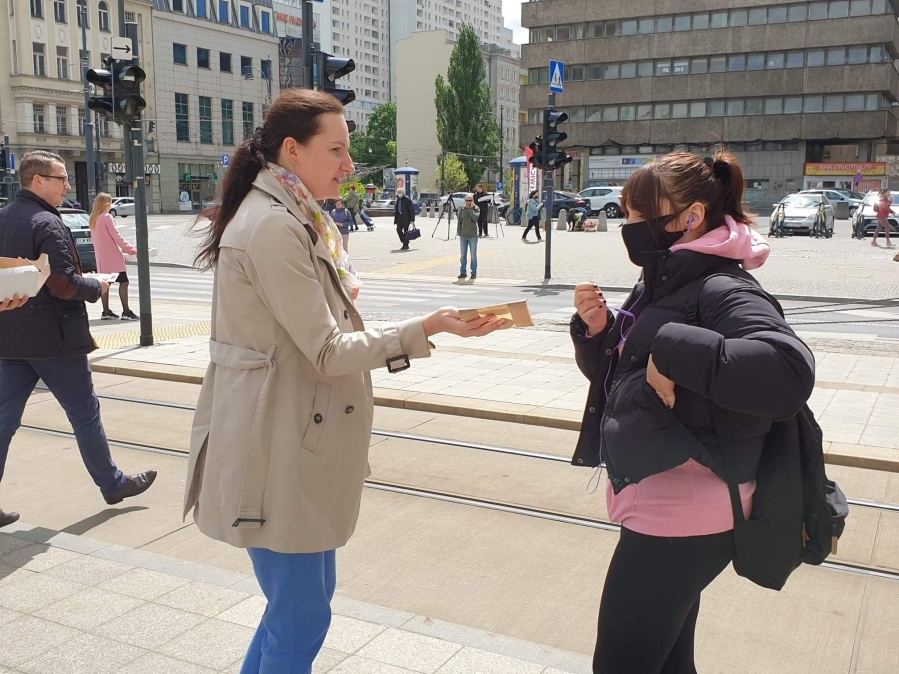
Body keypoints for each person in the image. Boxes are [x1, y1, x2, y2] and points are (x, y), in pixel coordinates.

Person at [186, 88, 505, 674]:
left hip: (288, 437)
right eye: (335, 150)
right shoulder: (274, 226)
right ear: (292, 150)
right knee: (300, 616)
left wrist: (427, 327)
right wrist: (426, 328)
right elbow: (329, 350)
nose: (349, 165)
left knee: (297, 611)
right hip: (275, 447)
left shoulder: (294, 216)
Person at [571, 151, 814, 674]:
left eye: (640, 214)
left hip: (684, 513)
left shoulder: (721, 285)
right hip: (668, 502)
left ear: (692, 216)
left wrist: (670, 350)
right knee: (670, 663)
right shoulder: (665, 279)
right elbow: (626, 381)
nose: (629, 225)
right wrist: (599, 334)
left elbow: (788, 369)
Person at [0, 151, 157, 529]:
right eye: (61, 178)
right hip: (55, 341)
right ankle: (113, 484)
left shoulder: (3, 217)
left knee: (2, 422)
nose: (68, 186)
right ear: (38, 181)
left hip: (8, 341)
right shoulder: (48, 223)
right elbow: (63, 284)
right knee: (85, 415)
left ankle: (113, 483)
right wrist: (96, 285)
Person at [90, 192, 138, 320]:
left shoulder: (93, 218)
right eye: (110, 202)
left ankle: (105, 311)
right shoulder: (107, 217)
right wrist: (131, 249)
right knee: (124, 282)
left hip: (101, 258)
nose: (111, 205)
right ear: (106, 204)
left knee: (106, 283)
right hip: (113, 257)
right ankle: (126, 311)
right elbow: (117, 237)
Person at [457, 195, 479, 280]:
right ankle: (463, 272)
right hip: (463, 235)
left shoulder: (476, 208)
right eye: (467, 200)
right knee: (463, 255)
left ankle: (473, 273)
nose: (468, 202)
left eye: (470, 200)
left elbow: (475, 218)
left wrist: (470, 209)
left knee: (473, 256)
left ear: (473, 201)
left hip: (473, 236)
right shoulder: (462, 209)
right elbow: (459, 221)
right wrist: (459, 232)